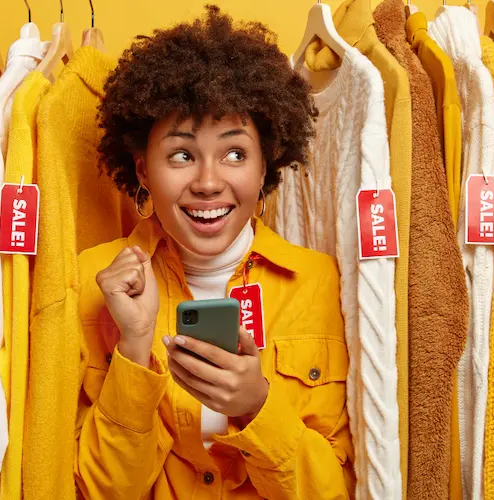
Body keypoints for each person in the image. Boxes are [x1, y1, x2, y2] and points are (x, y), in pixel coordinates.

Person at [75, 6, 355, 499]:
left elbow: (335, 490)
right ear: (143, 171)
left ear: (266, 164)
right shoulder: (90, 282)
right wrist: (134, 346)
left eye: (234, 153)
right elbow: (102, 491)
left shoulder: (323, 283)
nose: (208, 182)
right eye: (181, 155)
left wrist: (257, 406)